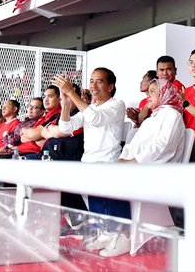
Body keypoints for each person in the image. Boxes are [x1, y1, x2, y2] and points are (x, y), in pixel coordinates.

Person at [52, 68, 128, 257]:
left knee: (109, 200)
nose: (93, 85)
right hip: (89, 162)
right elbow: (65, 127)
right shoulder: (90, 108)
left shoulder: (117, 104)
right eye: (91, 81)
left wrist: (72, 93)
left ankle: (123, 237)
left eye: (99, 81)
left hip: (108, 163)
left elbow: (95, 119)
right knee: (95, 202)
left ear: (110, 86)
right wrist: (66, 103)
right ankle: (106, 233)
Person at [119, 78, 185, 163]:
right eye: (148, 92)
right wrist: (122, 158)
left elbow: (165, 145)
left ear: (164, 92)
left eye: (152, 91)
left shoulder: (172, 115)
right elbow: (134, 143)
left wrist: (136, 161)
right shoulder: (150, 119)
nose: (148, 95)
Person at [16, 87, 61, 158]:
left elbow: (34, 135)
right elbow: (24, 138)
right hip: (23, 151)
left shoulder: (58, 115)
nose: (46, 99)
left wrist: (24, 131)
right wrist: (35, 138)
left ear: (59, 99)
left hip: (39, 154)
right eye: (44, 96)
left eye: (50, 96)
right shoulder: (44, 117)